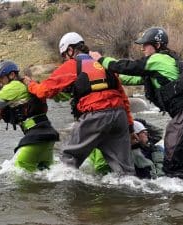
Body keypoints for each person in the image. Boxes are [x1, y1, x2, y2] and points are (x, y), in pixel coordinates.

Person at [90, 27, 183, 182]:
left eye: (145, 45)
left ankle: (177, 203)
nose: (142, 48)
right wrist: (114, 77)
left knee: (173, 171)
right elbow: (132, 78)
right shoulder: (163, 64)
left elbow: (129, 67)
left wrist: (101, 59)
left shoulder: (158, 59)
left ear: (157, 45)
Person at [23, 32, 135, 174]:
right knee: (125, 171)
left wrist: (30, 84)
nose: (64, 59)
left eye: (64, 55)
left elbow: (43, 91)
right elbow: (123, 97)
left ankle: (68, 190)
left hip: (95, 116)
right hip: (119, 117)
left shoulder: (73, 65)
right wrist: (130, 128)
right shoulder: (103, 63)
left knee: (68, 159)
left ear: (70, 50)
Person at [0, 60, 59, 172]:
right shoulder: (23, 87)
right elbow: (1, 113)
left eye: (1, 78)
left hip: (35, 139)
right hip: (48, 139)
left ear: (12, 75)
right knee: (44, 178)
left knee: (16, 177)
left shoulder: (14, 86)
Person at [89, 119, 165, 179]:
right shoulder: (113, 147)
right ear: (135, 135)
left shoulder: (149, 145)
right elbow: (101, 168)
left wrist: (141, 122)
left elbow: (159, 133)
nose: (147, 135)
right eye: (144, 133)